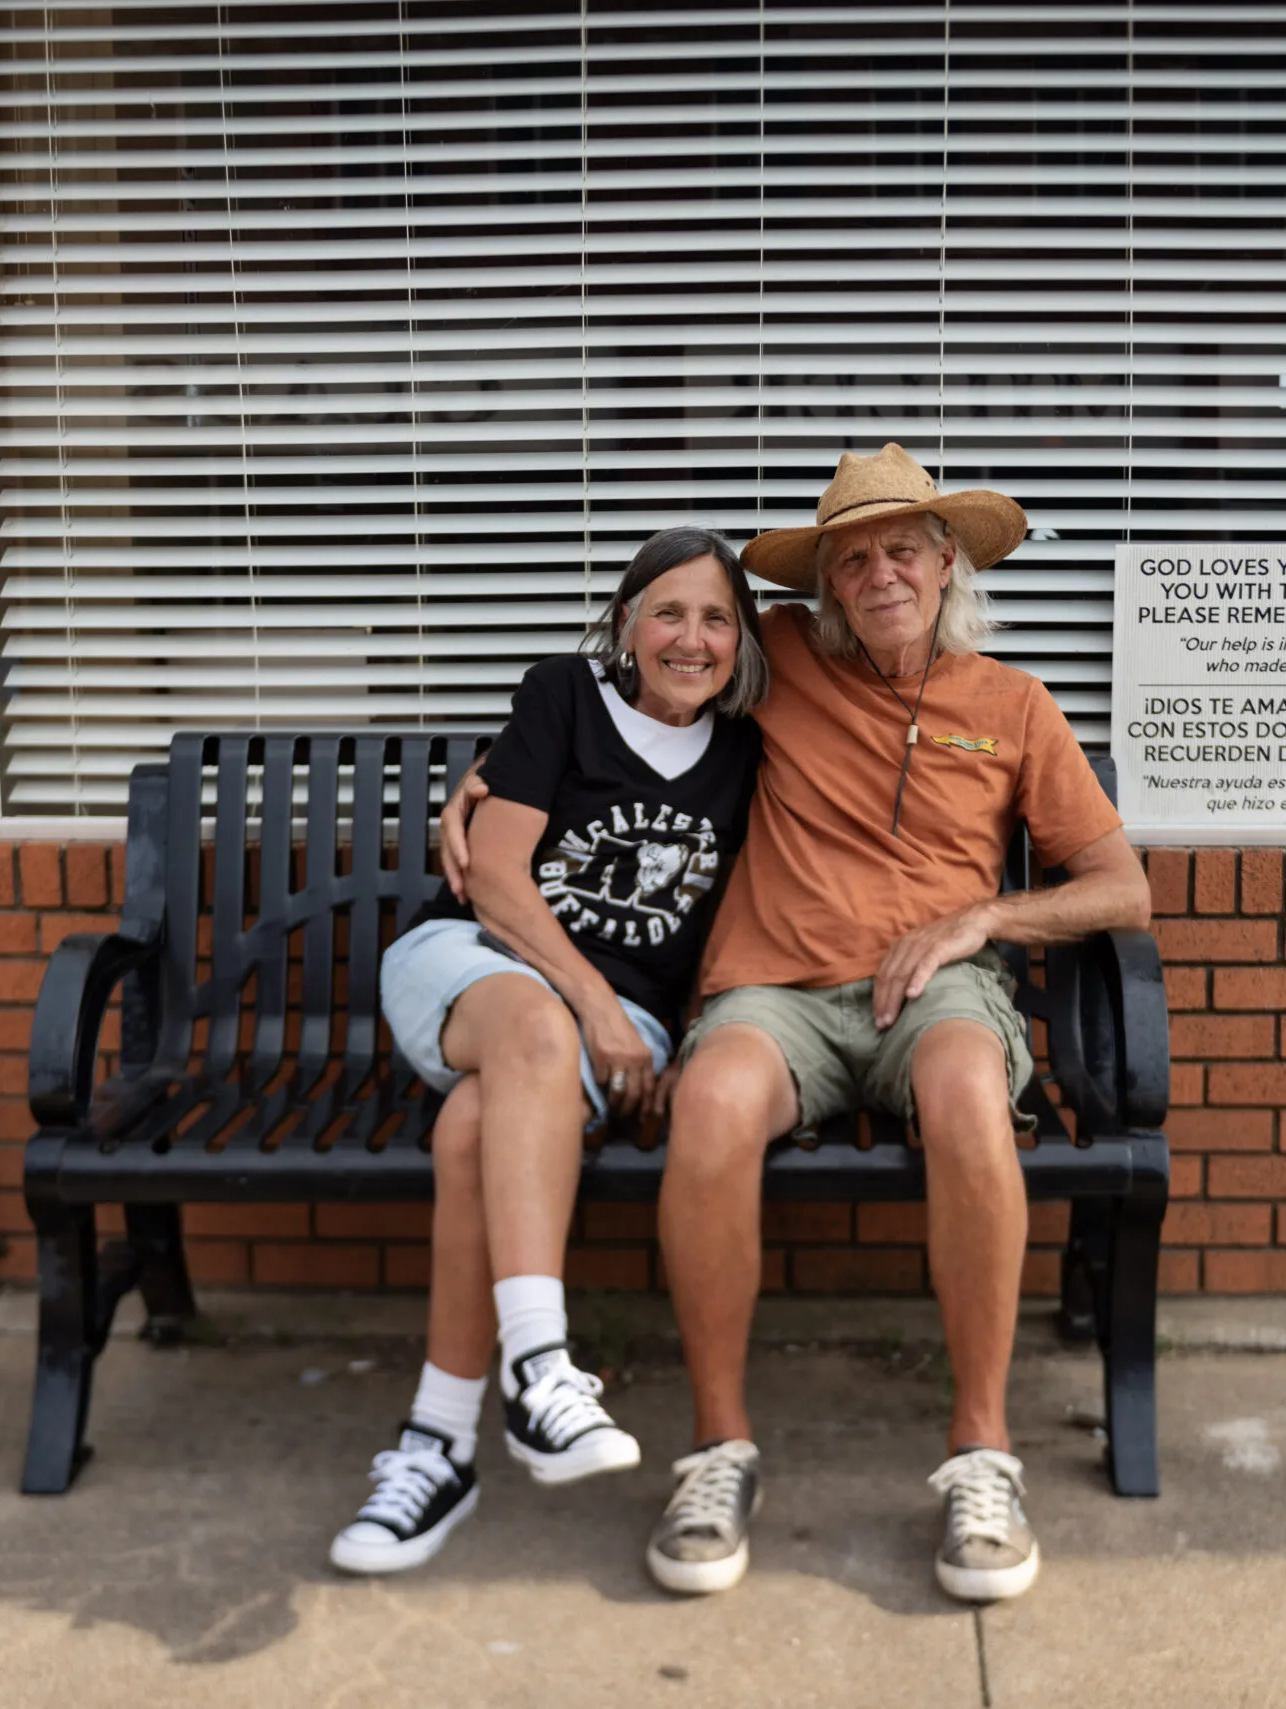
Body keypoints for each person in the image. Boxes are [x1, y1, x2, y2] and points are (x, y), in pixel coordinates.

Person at [441, 445, 1150, 1604]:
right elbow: (636, 689)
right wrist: (485, 778)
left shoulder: (1013, 704)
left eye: (902, 551)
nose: (879, 575)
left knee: (970, 1097)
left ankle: (982, 1452)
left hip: (937, 988)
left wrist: (982, 916)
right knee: (712, 1104)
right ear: (825, 586)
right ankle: (717, 1450)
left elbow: (1121, 888)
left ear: (945, 564)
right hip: (771, 989)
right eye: (851, 560)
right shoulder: (776, 656)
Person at [329, 527, 768, 1576]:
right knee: (531, 1028)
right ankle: (538, 1365)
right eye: (668, 611)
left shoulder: (749, 750)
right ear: (626, 622)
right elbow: (495, 877)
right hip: (470, 965)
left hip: (621, 1026)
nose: (692, 638)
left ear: (741, 643)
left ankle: (437, 1443)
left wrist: (655, 1023)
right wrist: (593, 1002)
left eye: (717, 618)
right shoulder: (563, 695)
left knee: (471, 1127)